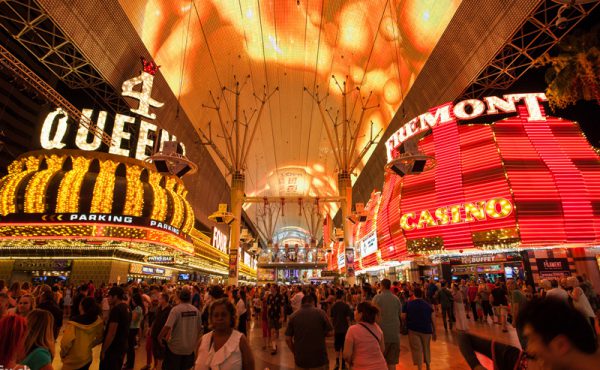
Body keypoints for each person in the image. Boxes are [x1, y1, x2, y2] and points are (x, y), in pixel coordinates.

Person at [458, 297, 600, 370]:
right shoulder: (517, 358)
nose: (529, 349)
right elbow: (464, 337)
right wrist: (477, 366)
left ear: (561, 345)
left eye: (532, 340)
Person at [195, 298, 255, 370]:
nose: (220, 318)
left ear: (231, 317)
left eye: (224, 315)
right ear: (211, 318)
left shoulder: (240, 341)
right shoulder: (203, 340)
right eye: (216, 315)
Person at [159, 287, 203, 370]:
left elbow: (167, 326)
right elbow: (199, 329)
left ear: (179, 297)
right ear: (190, 298)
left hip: (175, 348)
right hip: (189, 349)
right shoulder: (196, 311)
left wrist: (159, 337)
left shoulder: (176, 310)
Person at [285, 294, 333, 370]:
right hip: (319, 359)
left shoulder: (293, 316)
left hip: (301, 360)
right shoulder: (321, 313)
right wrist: (320, 332)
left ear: (301, 303)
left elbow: (288, 339)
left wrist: (295, 352)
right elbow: (330, 332)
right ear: (313, 302)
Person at [60, 296, 103, 370]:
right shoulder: (98, 321)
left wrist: (63, 354)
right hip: (87, 358)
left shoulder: (73, 323)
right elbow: (100, 338)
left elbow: (66, 342)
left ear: (82, 307)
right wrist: (89, 345)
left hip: (72, 361)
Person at [343, 301, 387, 370]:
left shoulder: (352, 330)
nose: (354, 312)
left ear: (360, 314)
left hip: (361, 366)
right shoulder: (377, 328)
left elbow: (347, 355)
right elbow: (382, 349)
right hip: (381, 366)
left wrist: (351, 362)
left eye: (356, 310)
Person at [402, 287, 436, 370]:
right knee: (426, 348)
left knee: (417, 349)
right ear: (422, 294)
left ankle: (419, 367)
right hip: (426, 330)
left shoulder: (409, 304)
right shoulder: (427, 304)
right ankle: (428, 366)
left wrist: (406, 323)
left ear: (414, 294)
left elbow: (403, 316)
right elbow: (433, 318)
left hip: (413, 329)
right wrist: (434, 331)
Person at [372, 279, 402, 370]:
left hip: (381, 334)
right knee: (392, 362)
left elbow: (372, 315)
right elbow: (399, 314)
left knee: (380, 362)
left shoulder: (377, 298)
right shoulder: (396, 299)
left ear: (382, 286)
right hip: (394, 334)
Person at [100, 286, 130, 370]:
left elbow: (111, 333)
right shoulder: (127, 307)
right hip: (122, 346)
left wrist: (104, 350)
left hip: (113, 349)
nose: (108, 298)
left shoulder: (116, 310)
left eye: (109, 296)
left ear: (115, 297)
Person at [330, 289, 353, 370]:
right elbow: (348, 318)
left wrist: (333, 326)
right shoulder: (346, 306)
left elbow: (331, 318)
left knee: (337, 346)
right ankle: (343, 364)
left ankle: (337, 363)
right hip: (345, 329)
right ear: (343, 296)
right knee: (343, 346)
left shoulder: (333, 306)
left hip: (337, 329)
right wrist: (350, 326)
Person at [150, 292, 172, 370]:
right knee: (154, 351)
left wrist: (167, 335)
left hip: (162, 334)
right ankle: (155, 365)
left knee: (161, 353)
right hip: (155, 333)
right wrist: (151, 329)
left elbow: (170, 325)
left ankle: (159, 367)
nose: (158, 300)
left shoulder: (170, 309)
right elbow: (155, 320)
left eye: (160, 298)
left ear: (165, 299)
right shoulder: (159, 308)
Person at [124, 293, 145, 370]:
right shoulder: (138, 308)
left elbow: (132, 318)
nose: (131, 301)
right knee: (129, 347)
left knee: (130, 348)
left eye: (132, 300)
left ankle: (130, 364)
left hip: (133, 328)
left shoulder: (138, 308)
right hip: (133, 328)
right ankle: (128, 362)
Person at [266, 284, 284, 355]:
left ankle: (274, 343)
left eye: (272, 288)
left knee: (276, 331)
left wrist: (282, 316)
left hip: (277, 315)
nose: (270, 289)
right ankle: (274, 347)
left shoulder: (280, 296)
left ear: (275, 288)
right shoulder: (269, 296)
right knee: (272, 331)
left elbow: (282, 307)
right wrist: (267, 314)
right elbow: (268, 305)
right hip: (271, 315)